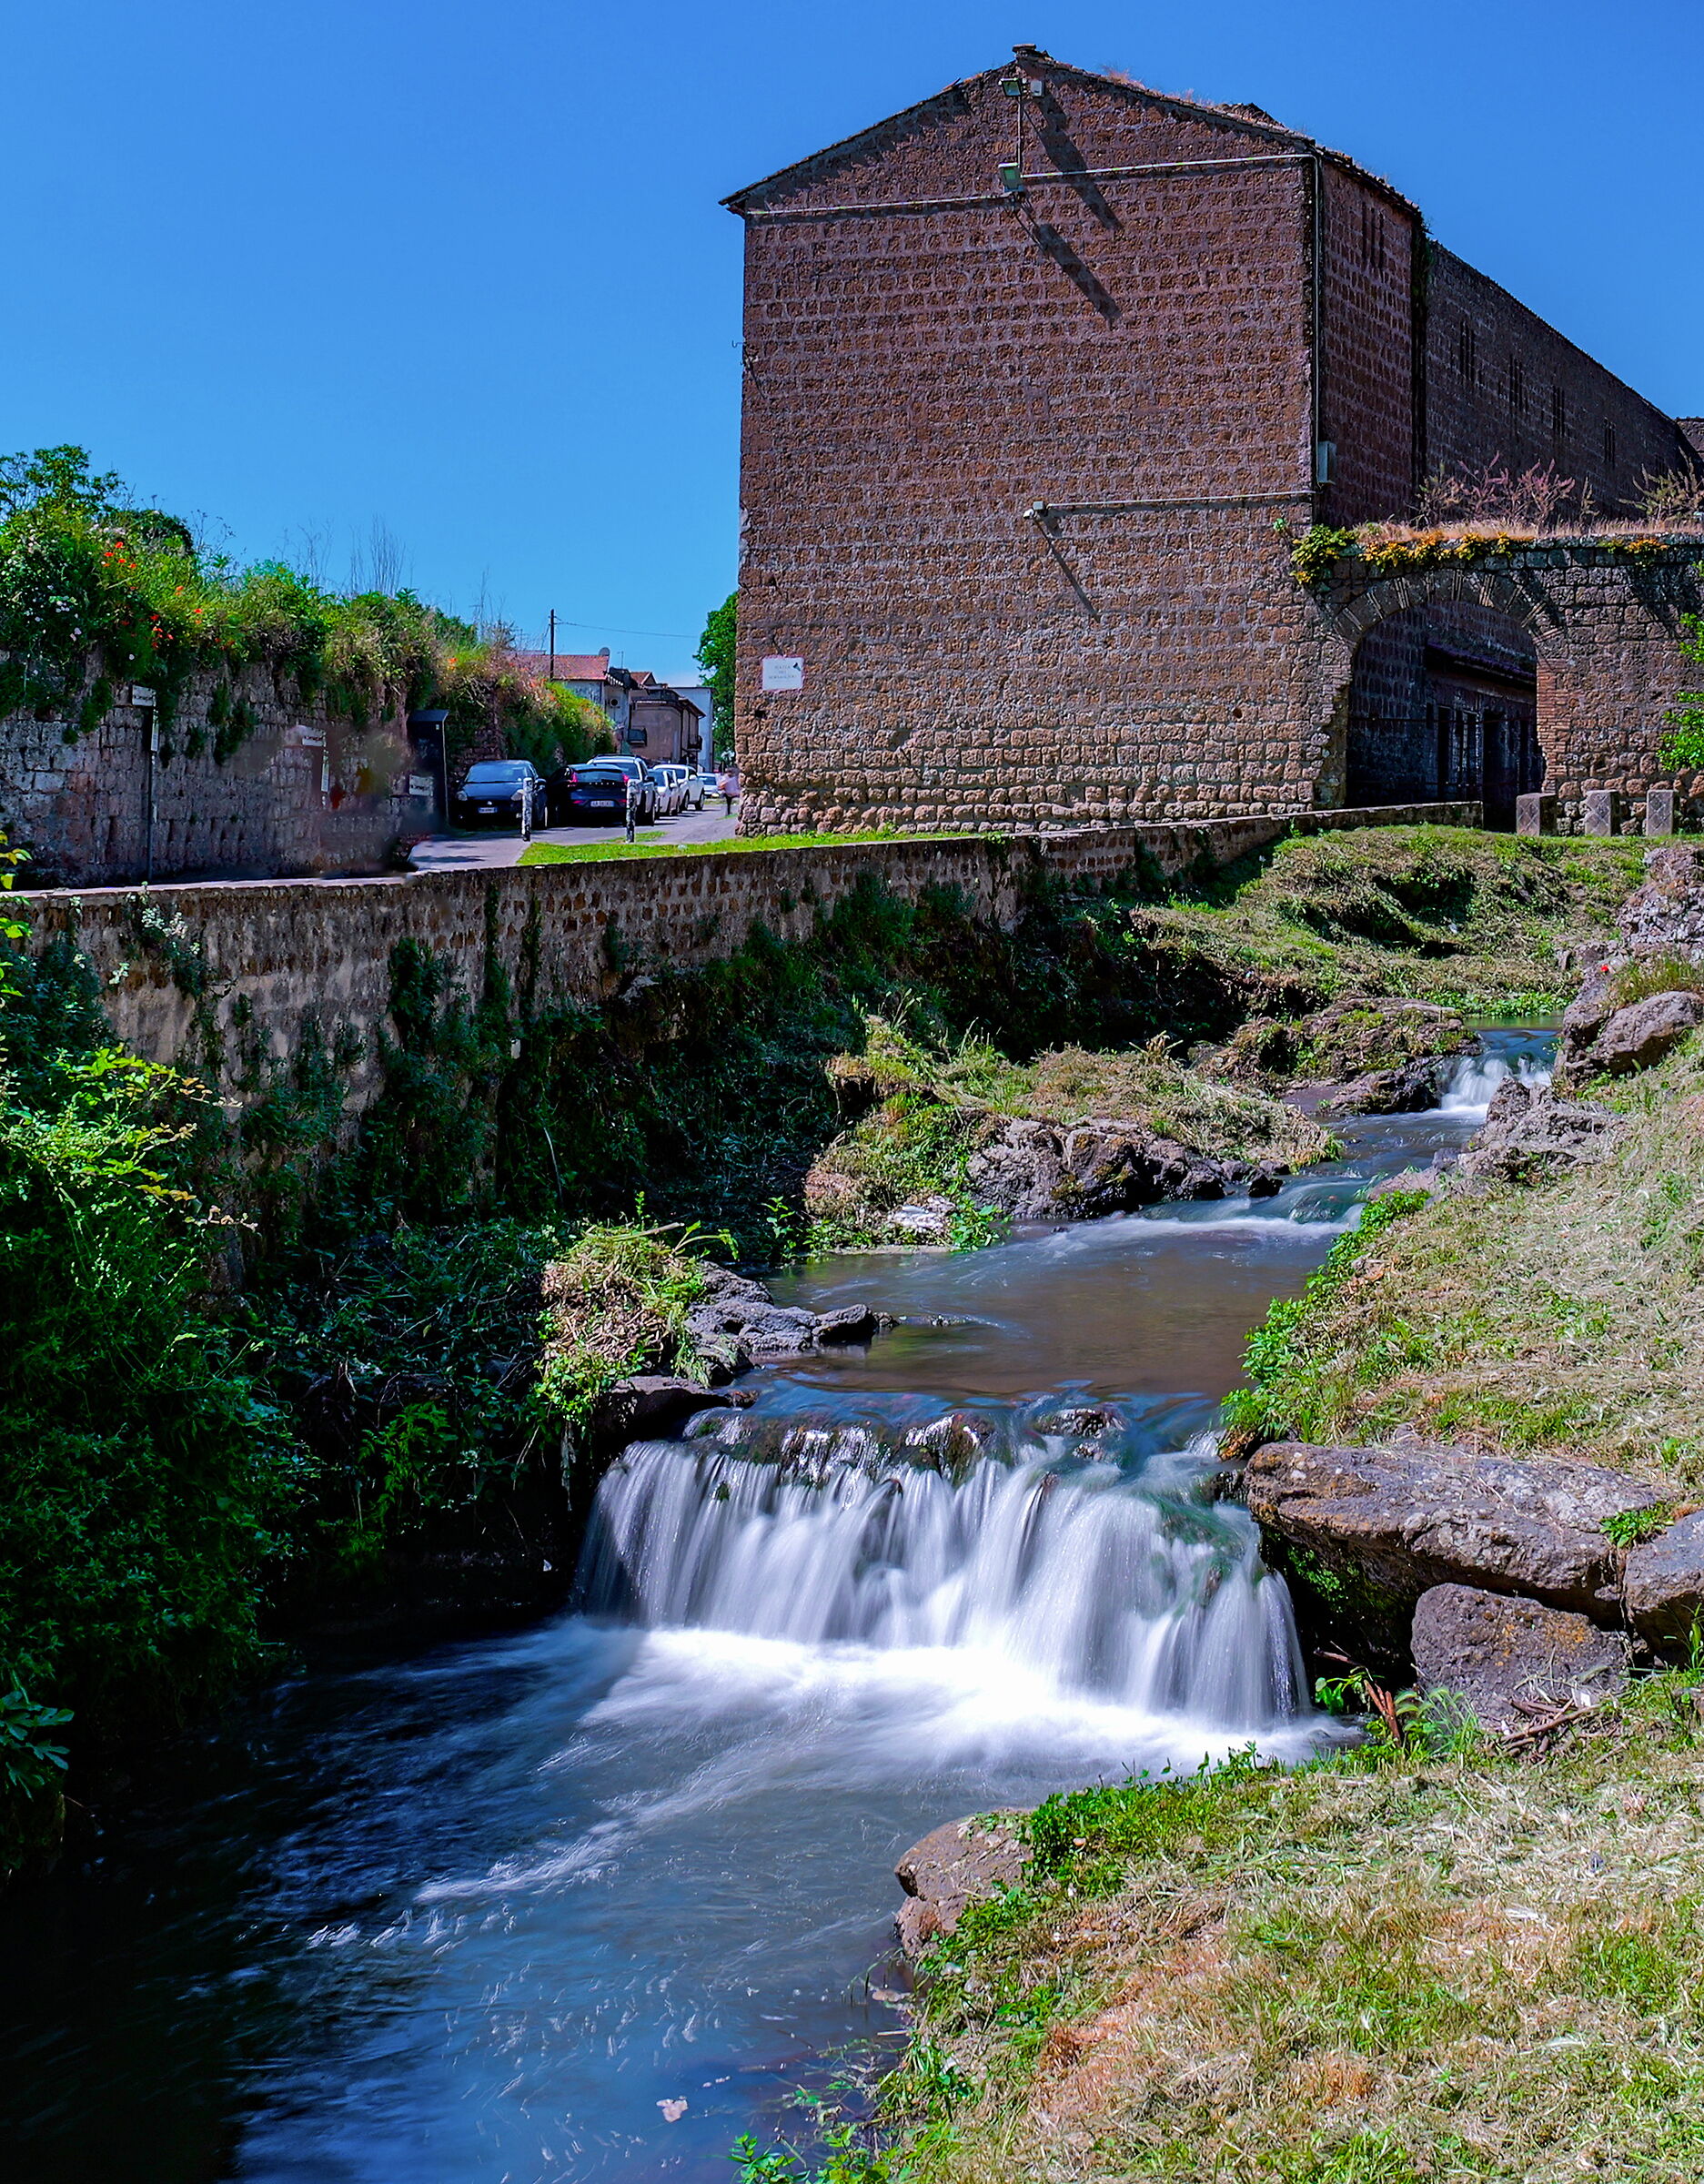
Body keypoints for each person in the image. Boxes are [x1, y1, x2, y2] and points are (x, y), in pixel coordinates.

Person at [624, 770, 639, 844]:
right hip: (629, 807)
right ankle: (629, 837)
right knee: (629, 822)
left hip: (630, 808)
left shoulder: (631, 786)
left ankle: (630, 838)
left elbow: (632, 798)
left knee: (630, 822)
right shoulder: (631, 786)